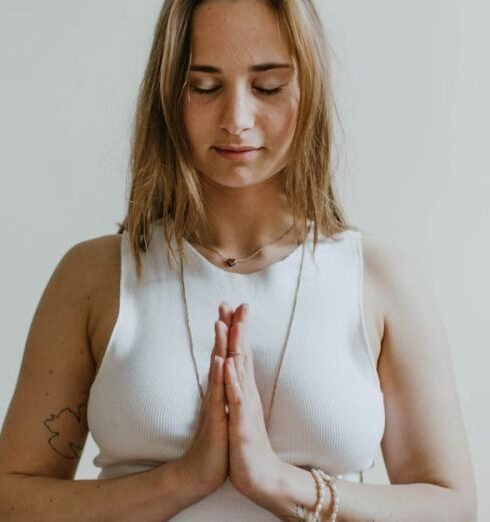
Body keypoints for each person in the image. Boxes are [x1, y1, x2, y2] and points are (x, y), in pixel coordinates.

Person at [0, 0, 478, 520]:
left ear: (309, 89)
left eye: (268, 86)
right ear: (168, 95)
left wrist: (281, 483)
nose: (237, 119)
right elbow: (12, 497)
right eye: (205, 87)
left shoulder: (380, 281)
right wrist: (182, 480)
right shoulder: (96, 277)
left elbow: (452, 506)